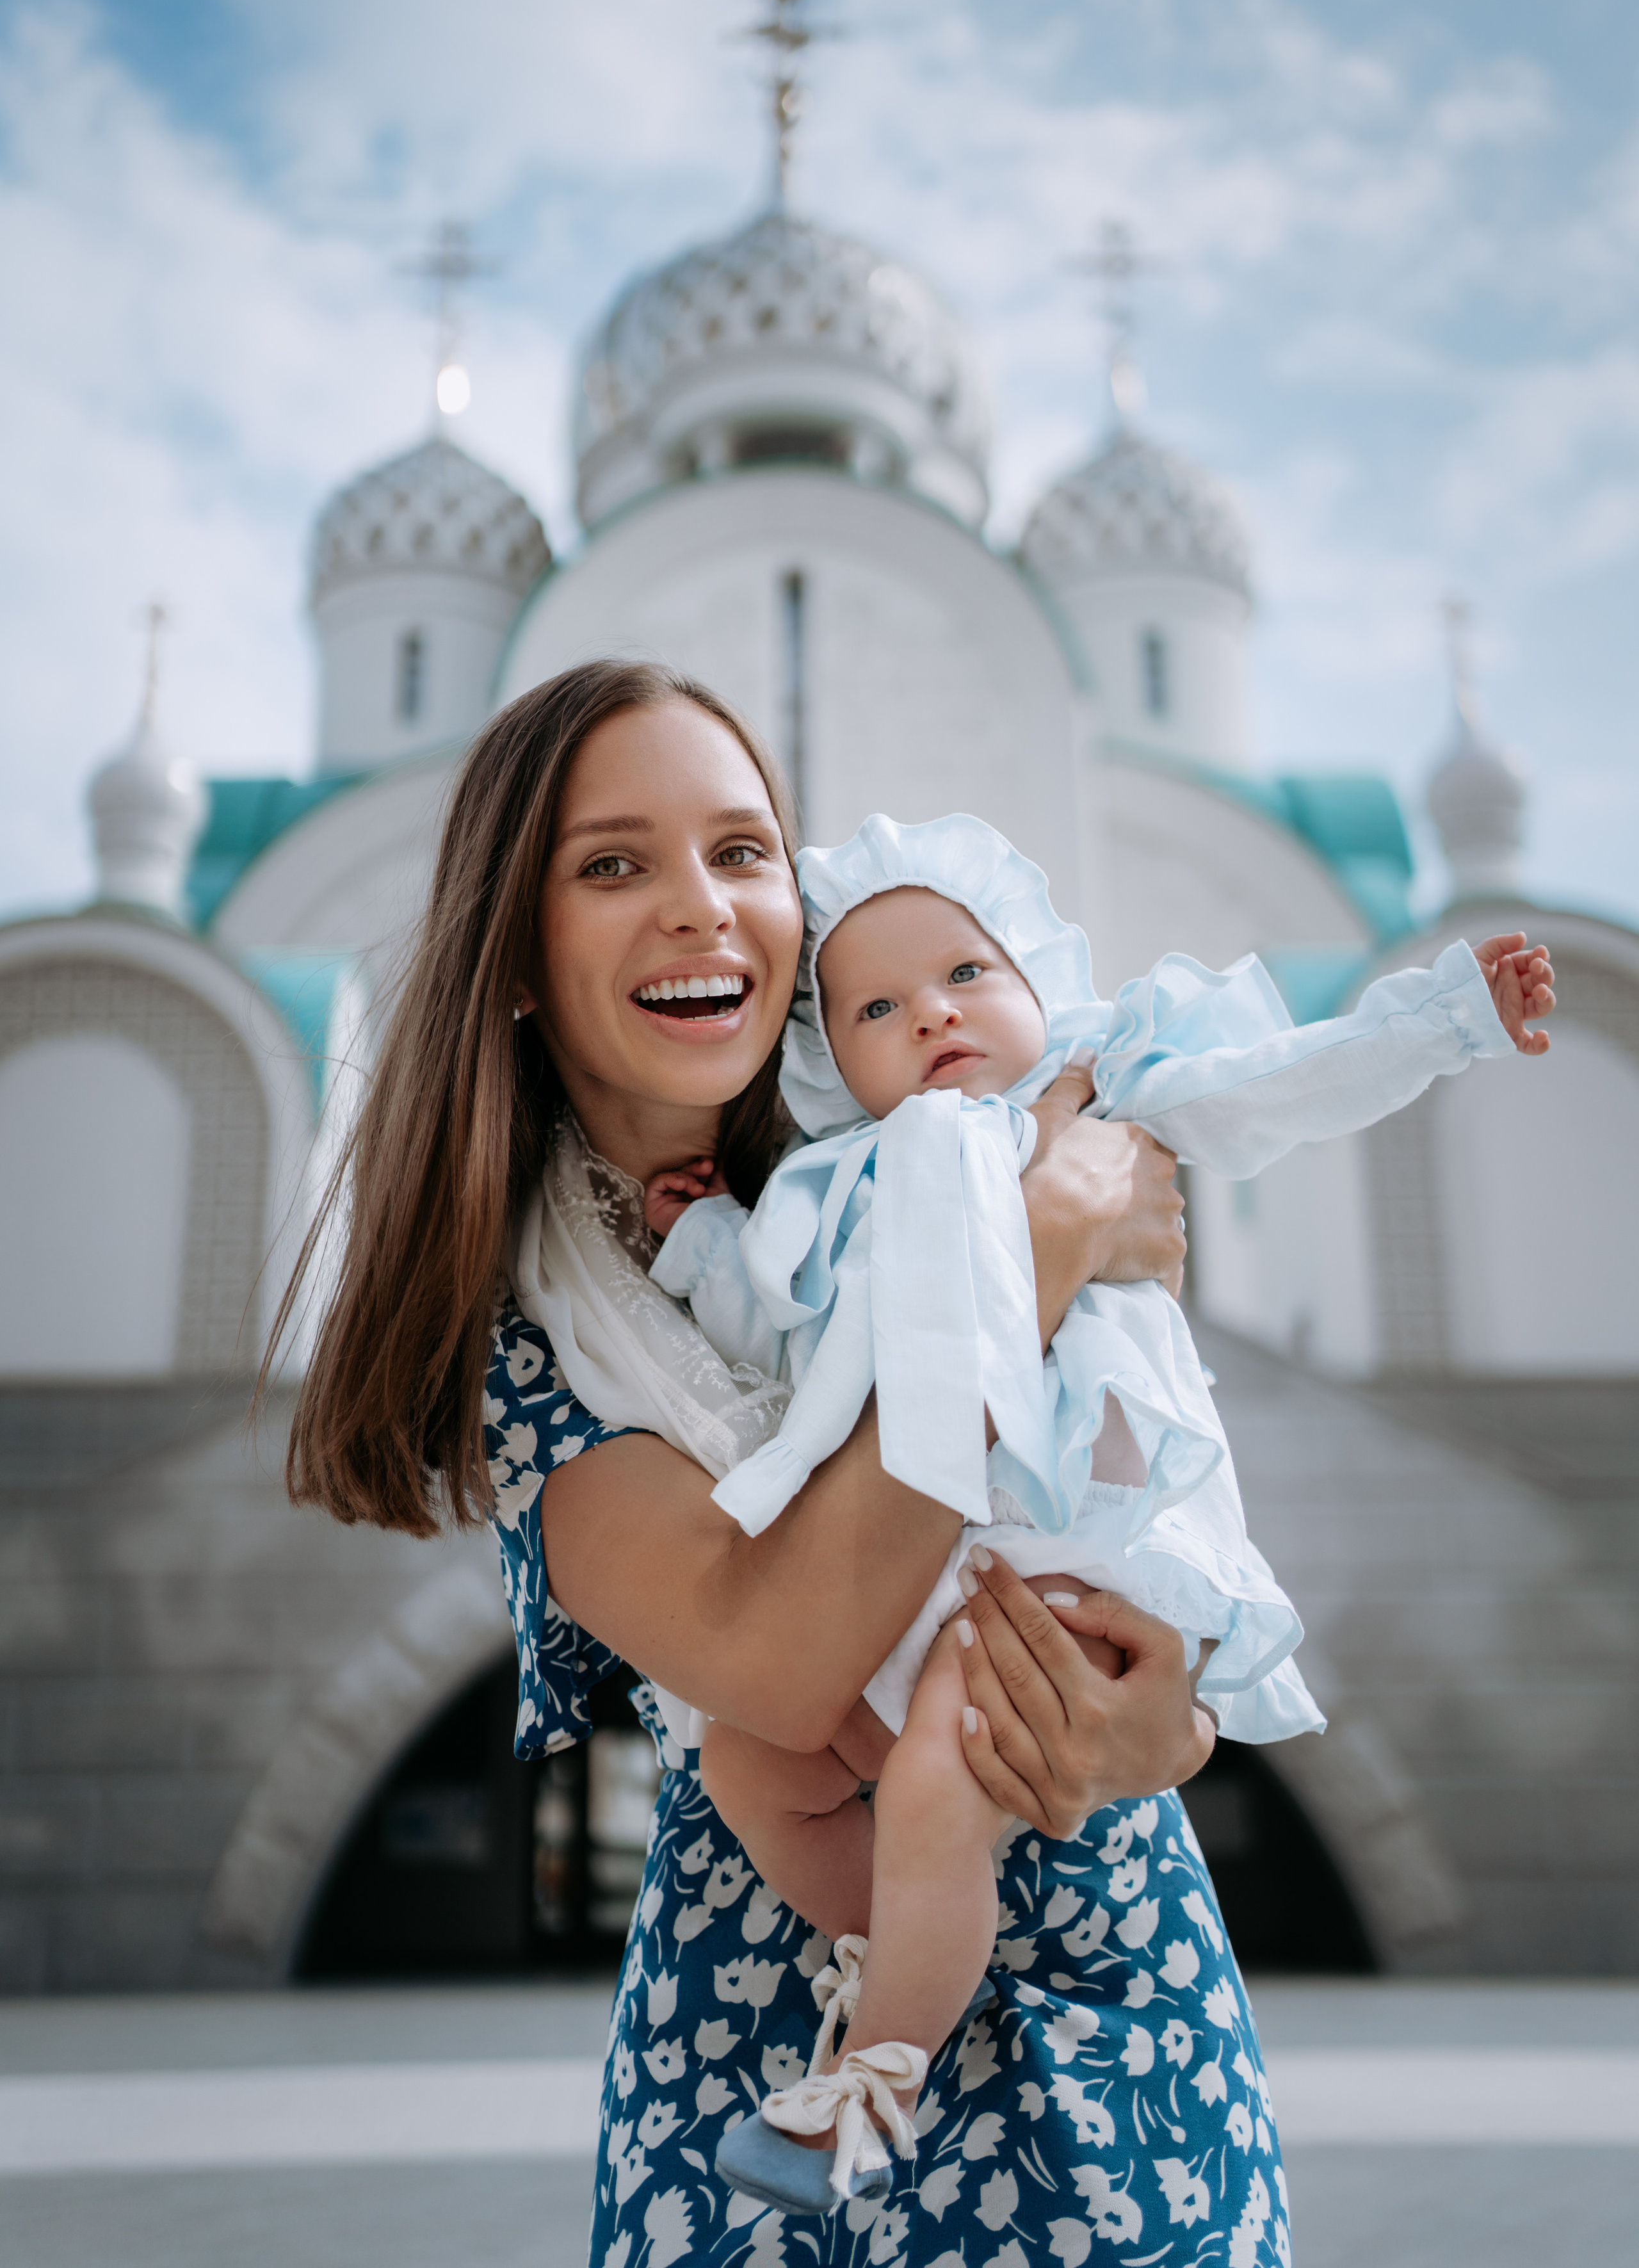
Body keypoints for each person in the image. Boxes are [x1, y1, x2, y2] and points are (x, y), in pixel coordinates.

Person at [277, 659, 1295, 2264]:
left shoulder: (901, 1125)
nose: (702, 908)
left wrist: (1169, 1719)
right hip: (761, 2068)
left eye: (744, 853)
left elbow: (1129, 1500)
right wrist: (1031, 1247)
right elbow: (780, 1653)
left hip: (1116, 2023)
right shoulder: (541, 1335)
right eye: (613, 863)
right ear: (520, 957)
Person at [634, 811, 1554, 2207]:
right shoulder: (841, 1183)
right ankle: (913, 1928)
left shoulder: (1103, 1095)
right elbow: (774, 1322)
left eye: (963, 970)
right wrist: (699, 1234)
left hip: (1061, 1549)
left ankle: (872, 2079)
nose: (930, 1010)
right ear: (833, 1065)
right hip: (899, 1558)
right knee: (751, 1765)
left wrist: (1442, 1020)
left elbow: (1274, 1081)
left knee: (945, 1765)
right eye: (875, 1005)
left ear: (1035, 977)